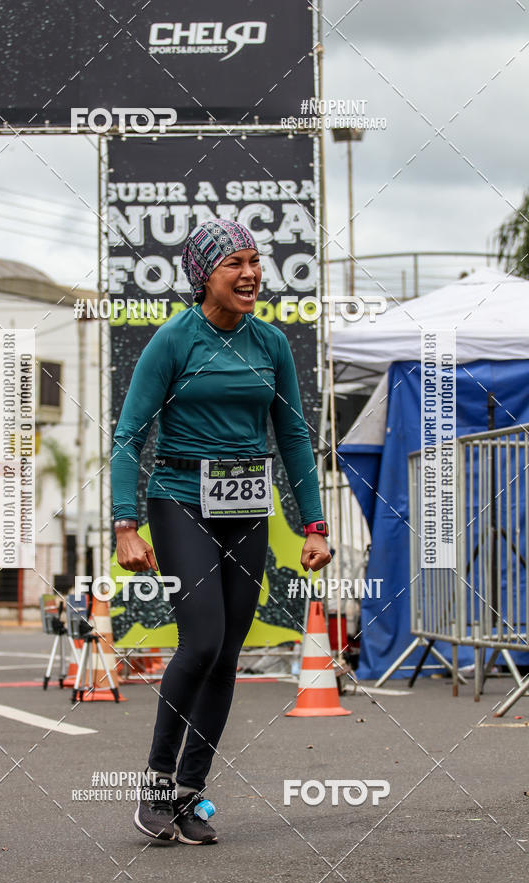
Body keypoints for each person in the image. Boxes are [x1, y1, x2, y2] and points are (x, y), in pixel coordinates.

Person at [111, 218, 332, 845]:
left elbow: (292, 436)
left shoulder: (271, 344)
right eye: (234, 262)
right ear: (205, 273)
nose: (251, 273)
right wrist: (125, 525)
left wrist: (314, 524)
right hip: (180, 498)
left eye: (255, 261)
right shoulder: (174, 339)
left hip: (247, 503)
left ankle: (189, 791)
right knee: (202, 640)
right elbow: (130, 435)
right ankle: (155, 782)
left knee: (229, 652)